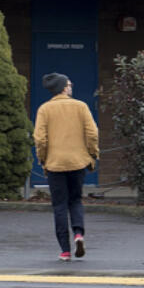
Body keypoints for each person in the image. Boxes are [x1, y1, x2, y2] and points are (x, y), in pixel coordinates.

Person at [33, 72, 99, 261]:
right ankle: (79, 234)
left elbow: (40, 139)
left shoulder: (44, 109)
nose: (71, 86)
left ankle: (65, 250)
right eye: (69, 84)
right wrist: (92, 154)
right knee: (76, 200)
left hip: (55, 164)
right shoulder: (81, 106)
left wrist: (43, 159)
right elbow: (92, 133)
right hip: (78, 162)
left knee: (59, 205)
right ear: (63, 87)